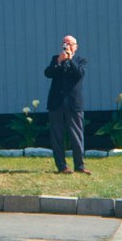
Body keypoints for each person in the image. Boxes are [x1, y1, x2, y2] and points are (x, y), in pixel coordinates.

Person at [44, 35, 90, 174]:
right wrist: (59, 60)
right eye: (64, 43)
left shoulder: (80, 60)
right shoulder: (56, 59)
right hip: (56, 103)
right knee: (57, 135)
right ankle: (62, 166)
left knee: (76, 135)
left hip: (73, 104)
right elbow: (48, 73)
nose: (67, 46)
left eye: (70, 43)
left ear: (76, 46)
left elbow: (79, 74)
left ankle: (80, 166)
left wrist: (70, 59)